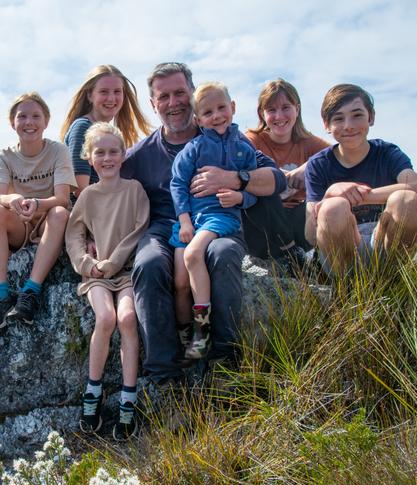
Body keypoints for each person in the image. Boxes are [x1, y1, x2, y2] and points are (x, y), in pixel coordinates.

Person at [121, 62, 287, 383]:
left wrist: (234, 178)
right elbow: (102, 186)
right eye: (164, 96)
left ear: (193, 95)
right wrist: (86, 234)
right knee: (150, 263)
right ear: (153, 104)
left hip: (219, 221)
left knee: (222, 255)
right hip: (165, 226)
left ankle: (224, 361)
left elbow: (276, 180)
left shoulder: (225, 140)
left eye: (180, 93)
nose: (173, 103)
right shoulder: (140, 155)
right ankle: (164, 373)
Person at [65, 123, 149, 441]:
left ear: (124, 155)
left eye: (114, 151)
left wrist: (114, 261)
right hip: (97, 274)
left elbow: (139, 229)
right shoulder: (87, 196)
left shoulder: (134, 190)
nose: (107, 157)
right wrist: (87, 264)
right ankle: (93, 391)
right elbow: (74, 235)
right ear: (89, 157)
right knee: (106, 317)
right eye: (100, 152)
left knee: (127, 318)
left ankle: (129, 398)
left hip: (125, 270)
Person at [169, 82, 257, 360]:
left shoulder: (244, 149)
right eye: (208, 112)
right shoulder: (194, 148)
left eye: (222, 108)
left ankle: (203, 331)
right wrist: (184, 222)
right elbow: (178, 184)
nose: (217, 115)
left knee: (194, 254)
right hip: (191, 220)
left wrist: (239, 198)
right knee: (180, 282)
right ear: (198, 119)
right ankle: (185, 336)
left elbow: (253, 191)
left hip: (220, 217)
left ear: (233, 107)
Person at [304, 83, 417, 275]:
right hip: (342, 255)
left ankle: (395, 279)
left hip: (384, 243)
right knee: (333, 207)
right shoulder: (318, 165)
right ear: (326, 125)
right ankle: (346, 288)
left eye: (357, 115)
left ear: (371, 117)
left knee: (406, 199)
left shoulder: (386, 153)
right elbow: (310, 236)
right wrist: (330, 194)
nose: (348, 126)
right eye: (338, 118)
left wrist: (361, 196)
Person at [0, 92, 76, 331]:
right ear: (12, 122)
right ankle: (0, 295)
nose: (29, 122)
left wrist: (35, 202)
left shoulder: (58, 151)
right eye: (22, 116)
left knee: (60, 213)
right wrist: (13, 198)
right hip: (19, 221)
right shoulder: (5, 155)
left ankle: (30, 292)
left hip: (46, 219)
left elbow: (62, 198)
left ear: (46, 121)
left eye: (36, 116)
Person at [246, 78, 330, 250]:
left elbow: (340, 153)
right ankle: (287, 251)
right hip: (264, 221)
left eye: (286, 108)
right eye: (271, 110)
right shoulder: (251, 141)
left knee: (324, 199)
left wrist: (308, 167)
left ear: (297, 109)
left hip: (299, 219)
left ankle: (311, 256)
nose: (279, 116)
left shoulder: (310, 143)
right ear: (262, 114)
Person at [60, 64, 152, 196]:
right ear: (90, 95)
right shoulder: (82, 128)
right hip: (84, 213)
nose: (111, 98)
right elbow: (79, 190)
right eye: (104, 91)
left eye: (117, 91)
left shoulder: (111, 134)